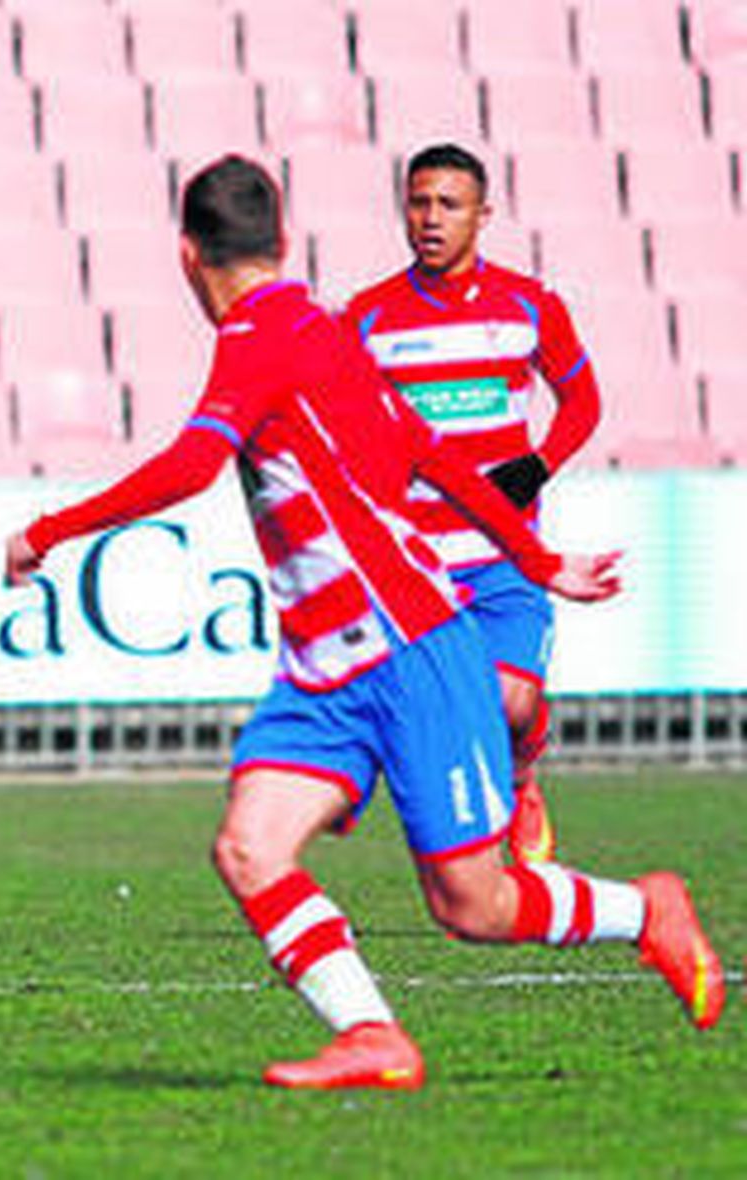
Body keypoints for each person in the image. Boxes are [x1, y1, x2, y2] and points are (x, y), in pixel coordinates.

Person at [5, 156, 724, 1090]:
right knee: (249, 847)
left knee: (474, 904)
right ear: (284, 242)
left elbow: (191, 465)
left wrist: (49, 531)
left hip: (409, 646)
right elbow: (428, 453)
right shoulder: (327, 330)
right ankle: (373, 1036)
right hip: (324, 664)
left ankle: (648, 910)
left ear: (188, 257)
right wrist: (538, 557)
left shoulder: (264, 337)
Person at [345, 143, 602, 866]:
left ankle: (523, 782)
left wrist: (540, 465)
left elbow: (582, 401)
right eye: (419, 203)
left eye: (448, 205)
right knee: (440, 724)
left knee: (514, 704)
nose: (430, 219)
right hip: (415, 563)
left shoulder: (530, 305)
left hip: (502, 552)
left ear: (483, 216)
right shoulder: (366, 320)